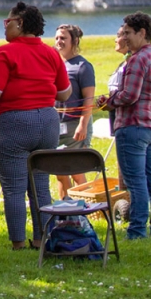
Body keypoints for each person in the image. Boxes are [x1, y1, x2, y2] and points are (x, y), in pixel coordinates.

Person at [0, 2, 71, 250]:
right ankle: (41, 239)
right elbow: (65, 93)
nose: (5, 26)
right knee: (40, 186)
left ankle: (17, 242)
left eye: (8, 22)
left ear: (21, 23)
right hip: (47, 123)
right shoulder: (51, 53)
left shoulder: (3, 53)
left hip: (13, 125)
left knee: (14, 188)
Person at [98, 12, 151, 240]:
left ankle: (137, 230)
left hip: (133, 126)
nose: (125, 37)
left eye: (129, 33)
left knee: (135, 181)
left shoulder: (138, 59)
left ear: (142, 33)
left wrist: (109, 102)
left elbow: (129, 96)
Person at [53, 24, 95, 199]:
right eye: (56, 38)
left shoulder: (83, 66)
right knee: (59, 171)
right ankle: (65, 210)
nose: (59, 41)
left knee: (75, 171)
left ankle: (89, 208)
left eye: (63, 38)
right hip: (56, 124)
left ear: (75, 41)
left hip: (75, 124)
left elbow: (89, 99)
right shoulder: (56, 64)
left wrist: (83, 125)